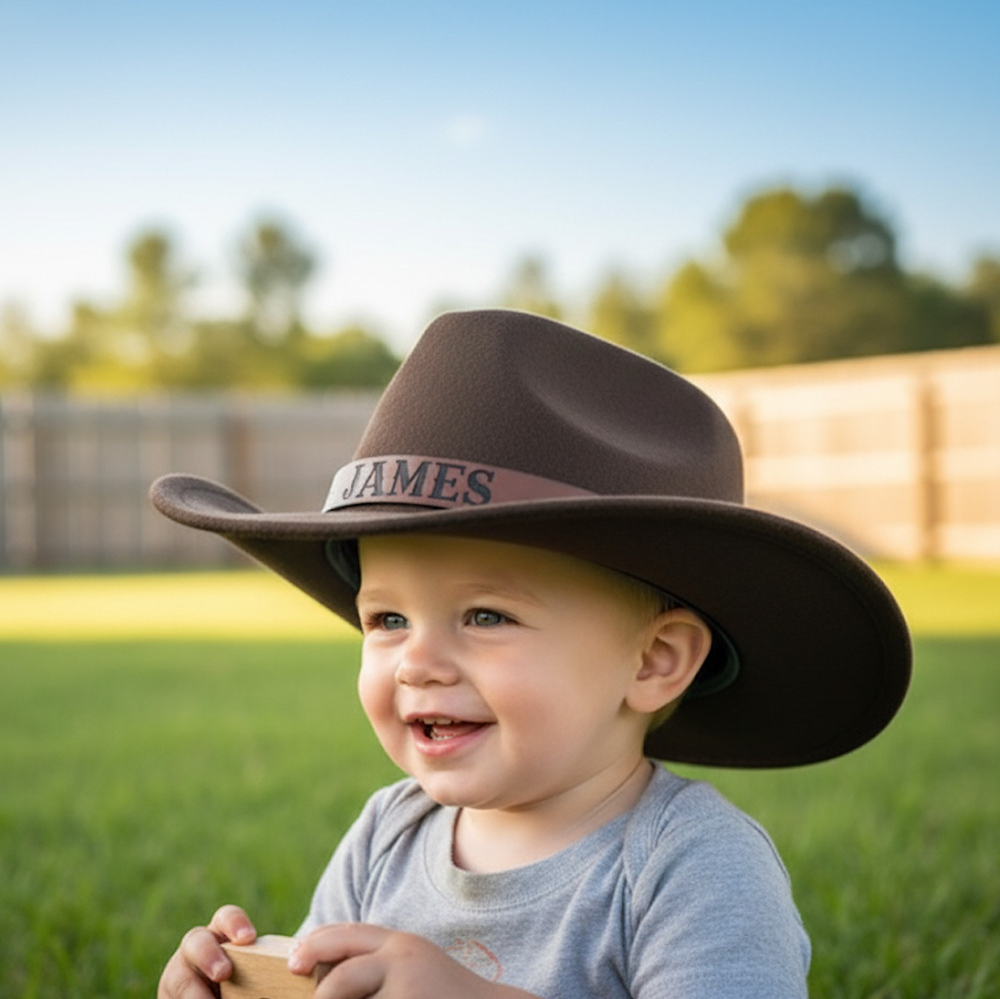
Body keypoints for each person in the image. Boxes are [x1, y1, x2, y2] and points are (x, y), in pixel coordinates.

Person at [152, 309, 911, 998]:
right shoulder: (386, 836)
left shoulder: (691, 864)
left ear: (655, 662)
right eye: (386, 618)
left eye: (486, 615)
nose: (417, 661)